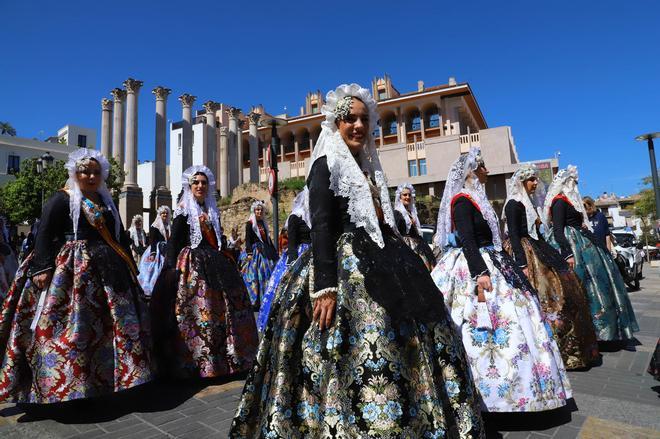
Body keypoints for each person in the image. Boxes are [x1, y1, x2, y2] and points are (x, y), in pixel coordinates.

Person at [231, 84, 484, 437]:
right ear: (336, 123)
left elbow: (383, 222)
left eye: (364, 119)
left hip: (384, 258)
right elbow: (320, 224)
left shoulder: (368, 167)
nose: (358, 126)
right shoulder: (325, 164)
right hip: (341, 263)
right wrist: (324, 287)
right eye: (349, 118)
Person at [0, 148, 153, 403]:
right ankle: (66, 383)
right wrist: (42, 268)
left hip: (109, 270)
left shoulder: (107, 201)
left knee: (112, 326)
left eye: (96, 172)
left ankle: (111, 378)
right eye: (85, 171)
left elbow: (119, 235)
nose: (91, 176)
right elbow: (45, 233)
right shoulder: (62, 199)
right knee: (73, 327)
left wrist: (130, 266)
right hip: (71, 271)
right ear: (75, 172)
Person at [431, 147, 572, 412]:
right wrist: (479, 273)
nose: (487, 171)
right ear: (472, 171)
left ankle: (520, 391)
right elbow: (468, 240)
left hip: (493, 260)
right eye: (483, 167)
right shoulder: (462, 200)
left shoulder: (478, 200)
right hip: (476, 266)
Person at [151, 165, 257, 378]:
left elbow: (219, 239)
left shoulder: (211, 210)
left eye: (204, 182)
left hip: (216, 264)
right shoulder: (183, 210)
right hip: (193, 266)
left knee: (226, 309)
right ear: (189, 186)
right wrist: (170, 270)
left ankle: (228, 359)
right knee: (199, 312)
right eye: (196, 182)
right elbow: (174, 242)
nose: (200, 186)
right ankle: (199, 364)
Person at [502, 164, 599, 369]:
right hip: (522, 252)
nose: (535, 183)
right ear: (521, 182)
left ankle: (565, 347)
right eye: (531, 180)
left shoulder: (529, 204)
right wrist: (521, 264)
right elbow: (514, 235)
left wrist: (558, 257)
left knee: (564, 289)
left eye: (536, 179)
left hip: (535, 247)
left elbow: (536, 234)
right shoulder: (513, 204)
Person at [543, 166, 639, 342]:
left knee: (597, 286)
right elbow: (557, 230)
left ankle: (601, 331)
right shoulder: (559, 201)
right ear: (565, 182)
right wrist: (566, 253)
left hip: (583, 244)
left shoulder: (572, 201)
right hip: (571, 246)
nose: (575, 185)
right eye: (573, 182)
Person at [256, 187, 312, 332]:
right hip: (300, 255)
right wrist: (293, 264)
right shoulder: (295, 217)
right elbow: (292, 244)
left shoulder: (315, 216)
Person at [241, 200, 277, 308]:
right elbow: (247, 239)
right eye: (257, 210)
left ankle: (267, 297)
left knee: (268, 272)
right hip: (255, 251)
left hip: (265, 250)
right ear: (254, 211)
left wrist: (273, 250)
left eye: (261, 210)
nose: (259, 212)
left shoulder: (263, 223)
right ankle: (255, 300)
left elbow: (267, 239)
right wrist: (249, 253)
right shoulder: (250, 223)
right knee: (255, 274)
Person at [393, 182, 436, 270]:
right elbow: (396, 232)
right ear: (400, 197)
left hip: (418, 243)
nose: (407, 197)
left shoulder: (412, 213)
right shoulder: (397, 213)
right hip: (406, 246)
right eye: (405, 195)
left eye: (409, 195)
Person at [137, 205, 171, 298]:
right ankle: (152, 288)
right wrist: (153, 253)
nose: (165, 214)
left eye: (166, 213)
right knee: (153, 270)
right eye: (163, 213)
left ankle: (164, 288)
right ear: (159, 214)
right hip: (157, 250)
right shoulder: (155, 225)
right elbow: (152, 240)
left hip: (166, 250)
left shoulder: (169, 226)